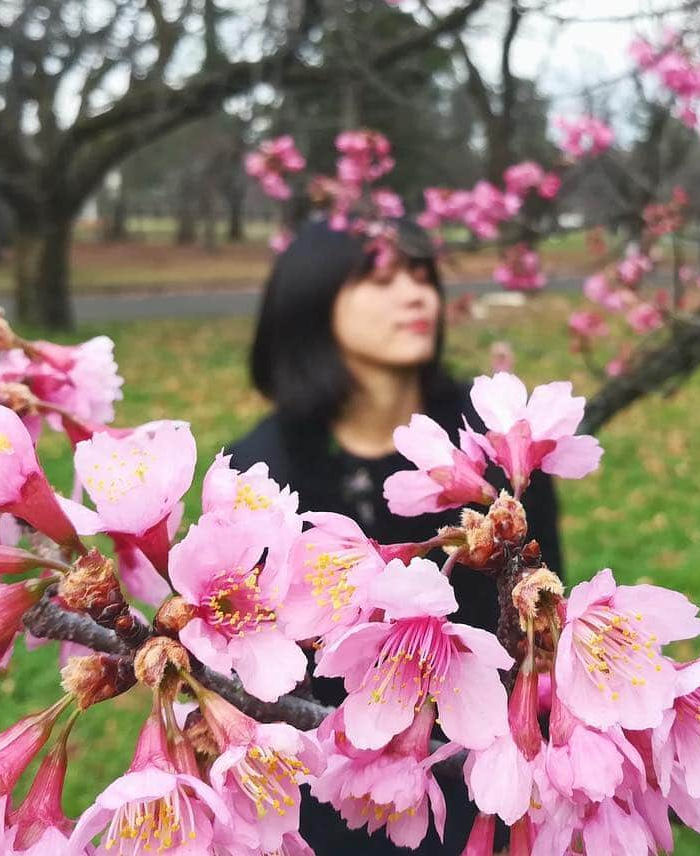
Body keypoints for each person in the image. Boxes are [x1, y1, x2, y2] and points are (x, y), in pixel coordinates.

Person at [229, 219, 563, 854]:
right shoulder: (262, 468)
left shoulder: (494, 450)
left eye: (423, 278)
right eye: (381, 281)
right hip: (321, 767)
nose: (417, 297)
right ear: (308, 304)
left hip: (477, 756)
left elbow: (543, 611)